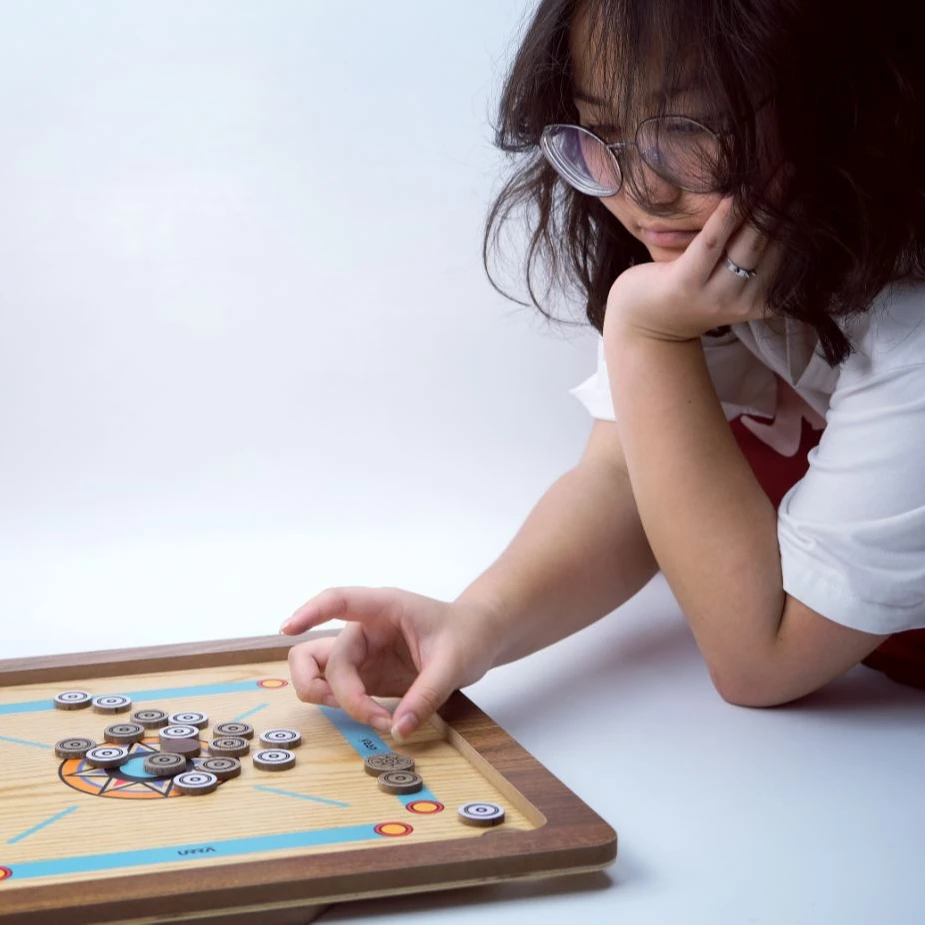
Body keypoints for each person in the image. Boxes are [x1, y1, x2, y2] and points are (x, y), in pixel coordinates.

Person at [280, 0, 925, 742]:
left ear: (845, 101)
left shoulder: (907, 328)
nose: (640, 190)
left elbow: (761, 661)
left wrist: (644, 331)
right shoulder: (726, 260)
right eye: (602, 132)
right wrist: (473, 623)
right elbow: (625, 478)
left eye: (687, 128)